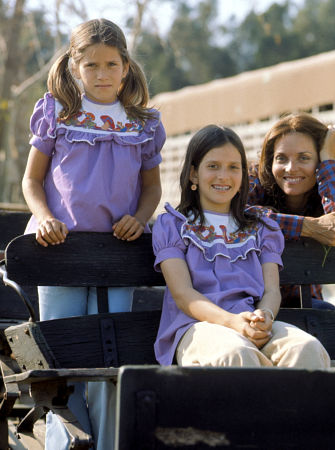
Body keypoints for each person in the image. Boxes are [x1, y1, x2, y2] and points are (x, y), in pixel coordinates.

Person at [22, 18, 166, 450]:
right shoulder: (58, 115)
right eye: (91, 66)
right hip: (60, 252)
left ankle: (107, 443)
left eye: (110, 64)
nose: (101, 74)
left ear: (125, 66)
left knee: (109, 358)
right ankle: (64, 444)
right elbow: (32, 181)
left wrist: (140, 218)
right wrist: (45, 216)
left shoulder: (141, 123)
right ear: (73, 68)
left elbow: (152, 187)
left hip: (115, 255)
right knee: (64, 357)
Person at [152, 124, 330, 369]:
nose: (224, 176)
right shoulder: (174, 225)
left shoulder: (261, 228)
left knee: (306, 349)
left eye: (233, 167)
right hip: (196, 326)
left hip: (250, 321)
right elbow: (183, 295)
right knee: (235, 354)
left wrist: (264, 316)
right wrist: (232, 322)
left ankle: (292, 408)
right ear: (193, 174)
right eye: (213, 166)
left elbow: (271, 291)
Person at [248, 113, 335, 310]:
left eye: (304, 158)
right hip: (249, 302)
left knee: (327, 313)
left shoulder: (328, 183)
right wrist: (308, 227)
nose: (291, 168)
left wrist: (327, 158)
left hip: (304, 303)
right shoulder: (253, 181)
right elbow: (239, 215)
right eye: (281, 158)